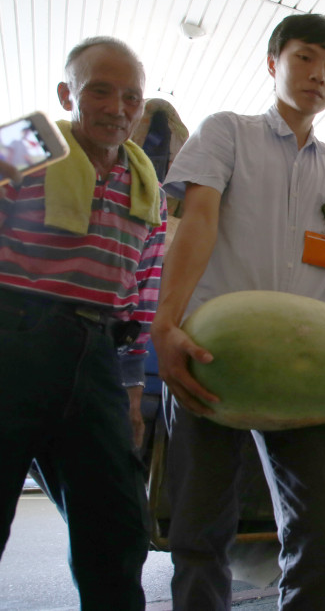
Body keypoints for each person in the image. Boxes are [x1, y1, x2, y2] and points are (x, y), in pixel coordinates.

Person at [152, 13, 325, 611]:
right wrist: (166, 323)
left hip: (306, 367)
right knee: (200, 534)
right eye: (304, 58)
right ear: (274, 62)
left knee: (318, 535)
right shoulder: (226, 133)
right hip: (212, 355)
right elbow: (199, 222)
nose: (319, 75)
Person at [0, 36, 166, 610]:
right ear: (67, 93)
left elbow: (141, 295)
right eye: (100, 90)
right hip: (12, 340)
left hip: (95, 352)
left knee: (118, 524)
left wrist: (132, 387)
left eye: (132, 97)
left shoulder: (150, 187)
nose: (117, 107)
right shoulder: (26, 141)